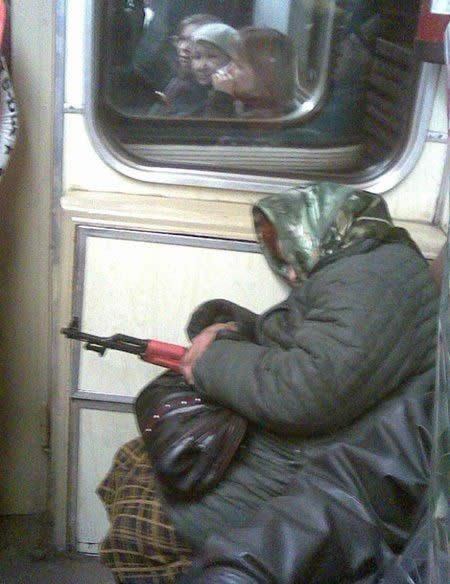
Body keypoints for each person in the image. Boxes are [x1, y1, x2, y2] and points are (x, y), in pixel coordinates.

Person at [97, 182, 437, 583]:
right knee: (132, 459)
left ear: (320, 230)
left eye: (290, 254)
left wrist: (209, 360)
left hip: (305, 468)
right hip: (293, 446)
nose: (289, 273)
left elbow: (305, 391)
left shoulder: (376, 280)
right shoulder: (358, 268)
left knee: (137, 532)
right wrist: (234, 330)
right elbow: (312, 344)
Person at [207, 27, 299, 118]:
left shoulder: (265, 118)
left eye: (239, 66)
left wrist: (221, 97)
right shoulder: (245, 102)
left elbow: (214, 127)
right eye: (231, 62)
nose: (229, 70)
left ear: (265, 74)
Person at [150, 14, 223, 117]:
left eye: (193, 40)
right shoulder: (175, 81)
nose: (183, 47)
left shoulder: (218, 92)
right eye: (181, 39)